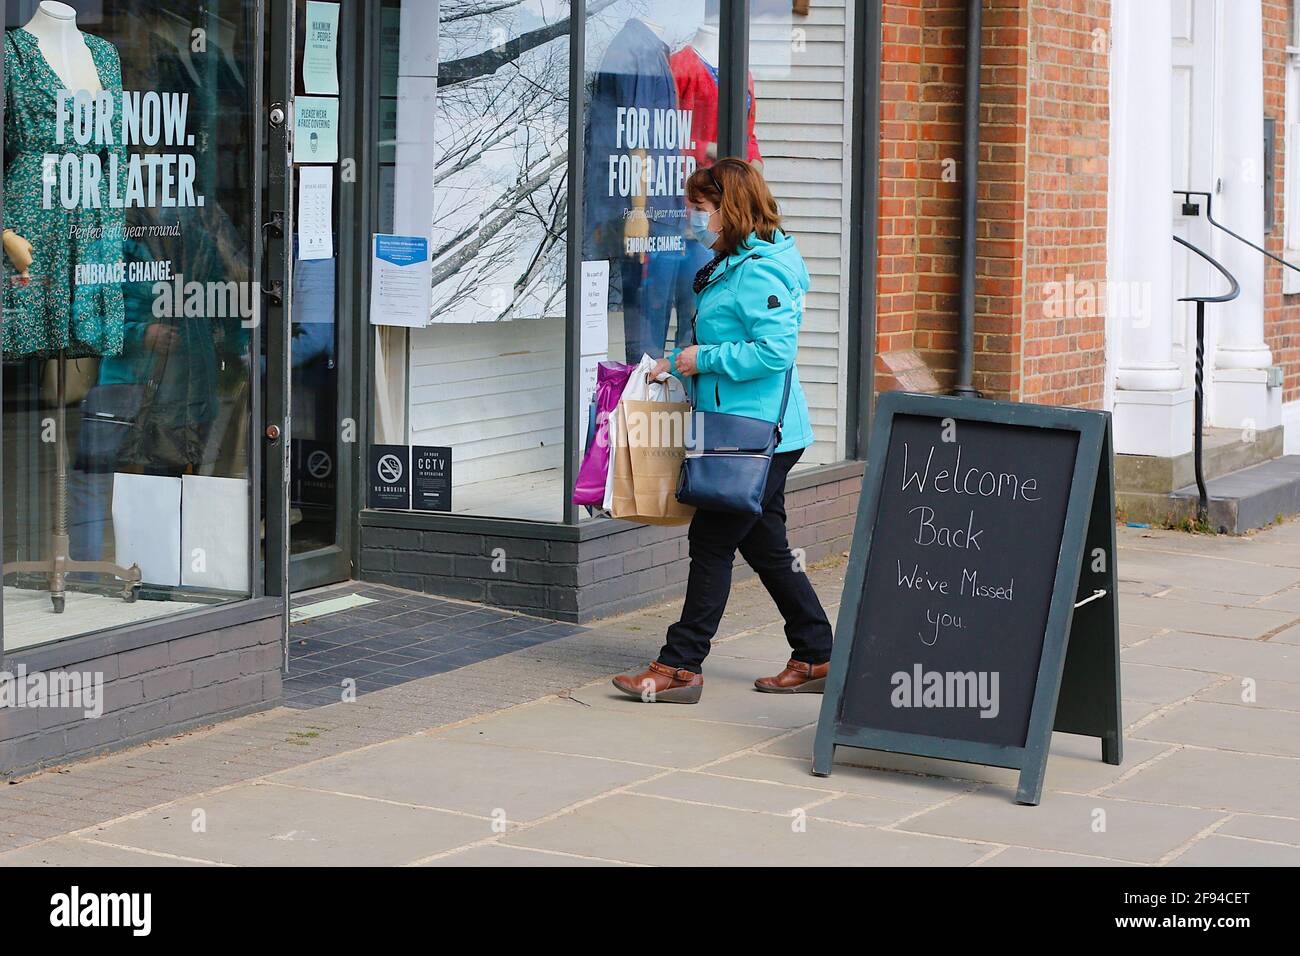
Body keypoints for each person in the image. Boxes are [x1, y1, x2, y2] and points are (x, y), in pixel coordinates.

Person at [612, 158, 834, 704]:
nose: (693, 218)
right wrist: (673, 362)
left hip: (756, 436)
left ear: (728, 208)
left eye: (701, 208)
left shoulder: (760, 269)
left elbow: (774, 351)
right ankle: (817, 654)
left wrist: (699, 359)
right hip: (739, 428)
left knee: (711, 543)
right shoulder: (736, 260)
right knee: (766, 547)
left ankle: (680, 666)